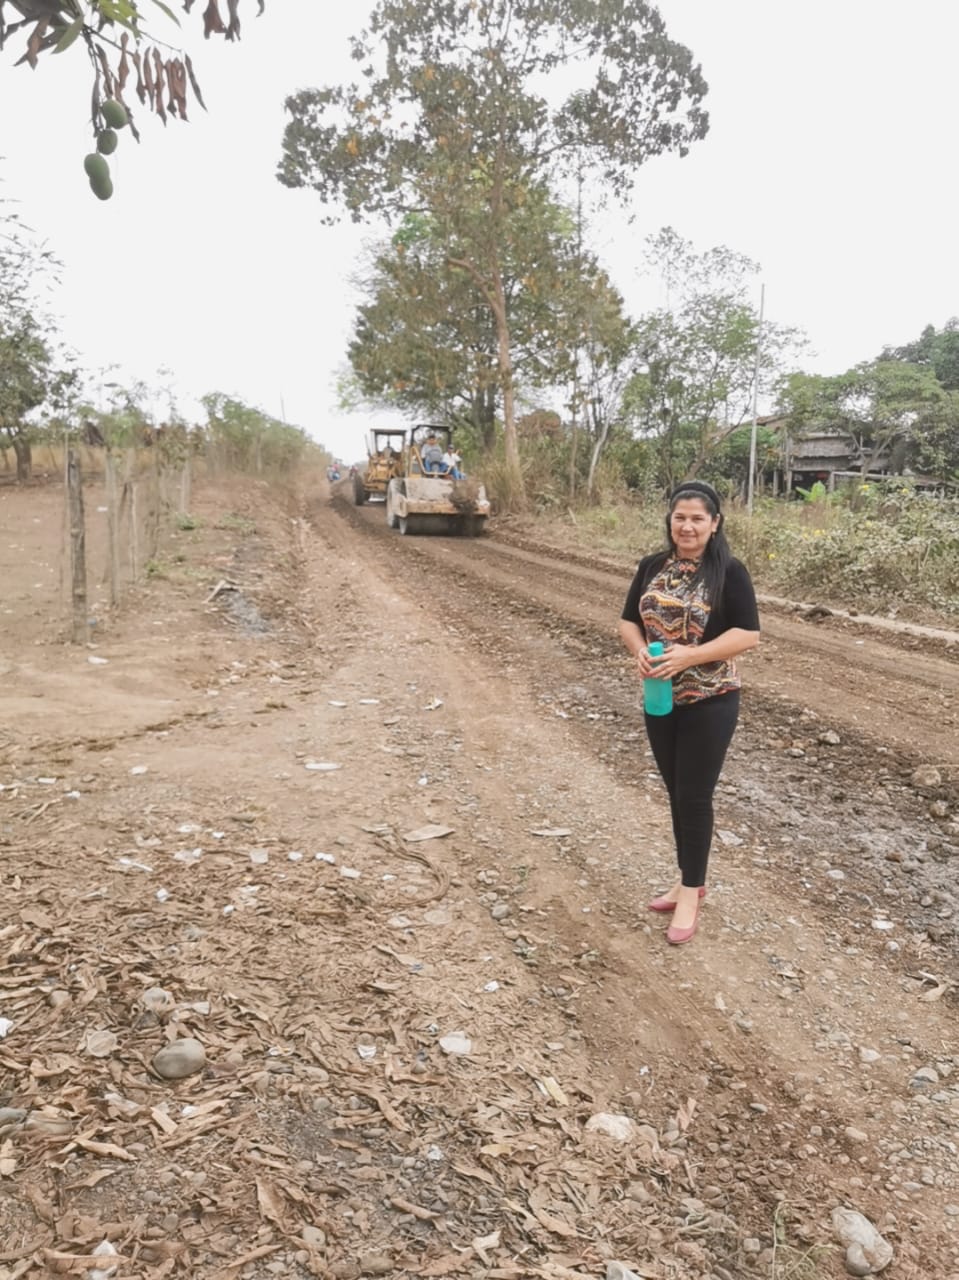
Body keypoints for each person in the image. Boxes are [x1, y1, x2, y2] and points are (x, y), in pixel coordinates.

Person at [618, 481, 760, 945]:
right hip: (660, 696)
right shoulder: (651, 566)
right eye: (680, 517)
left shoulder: (729, 571)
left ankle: (691, 893)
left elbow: (748, 634)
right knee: (676, 792)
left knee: (695, 796)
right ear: (670, 520)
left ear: (715, 524)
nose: (688, 526)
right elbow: (628, 621)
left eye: (698, 518)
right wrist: (640, 651)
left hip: (711, 699)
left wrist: (690, 656)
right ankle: (686, 881)